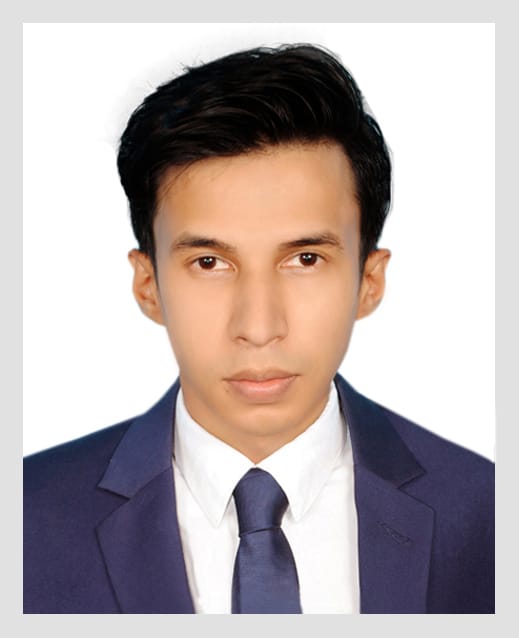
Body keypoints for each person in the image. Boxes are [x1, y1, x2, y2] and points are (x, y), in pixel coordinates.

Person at [23, 43, 494, 614]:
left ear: (369, 281)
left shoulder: (490, 513)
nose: (259, 327)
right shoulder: (24, 519)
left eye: (305, 260)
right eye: (209, 263)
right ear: (148, 286)